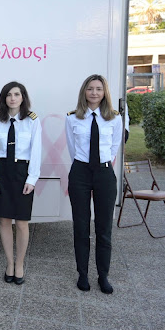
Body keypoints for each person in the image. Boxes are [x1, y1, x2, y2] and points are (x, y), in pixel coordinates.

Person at [66, 74, 122, 294]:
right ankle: (83, 274)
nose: (94, 93)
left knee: (104, 228)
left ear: (104, 92)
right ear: (84, 92)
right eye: (90, 88)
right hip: (80, 172)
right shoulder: (72, 118)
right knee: (81, 227)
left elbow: (114, 147)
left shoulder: (114, 118)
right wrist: (84, 166)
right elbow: (72, 148)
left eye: (99, 89)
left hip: (104, 174)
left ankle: (103, 276)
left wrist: (102, 165)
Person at [0, 82, 42, 285]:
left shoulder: (32, 120)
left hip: (22, 172)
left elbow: (36, 151)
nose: (12, 98)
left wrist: (32, 179)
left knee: (21, 222)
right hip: (3, 172)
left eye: (17, 94)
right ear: (4, 98)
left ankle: (20, 264)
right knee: (4, 221)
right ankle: (9, 263)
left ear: (23, 97)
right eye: (9, 94)